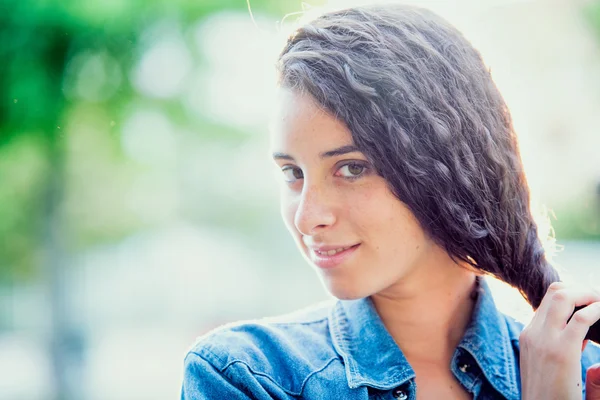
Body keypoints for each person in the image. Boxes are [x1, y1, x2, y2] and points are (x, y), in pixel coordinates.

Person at [181, 4, 600, 399]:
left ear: (445, 168)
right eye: (293, 173)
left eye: (351, 169)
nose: (308, 218)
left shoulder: (586, 368)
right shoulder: (246, 375)